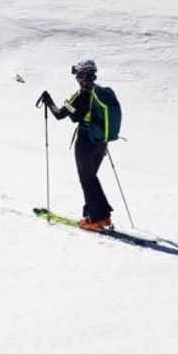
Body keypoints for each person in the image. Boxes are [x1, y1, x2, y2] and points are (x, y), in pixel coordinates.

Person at [39, 59, 117, 231]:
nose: (77, 79)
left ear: (82, 76)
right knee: (91, 179)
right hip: (101, 143)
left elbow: (60, 114)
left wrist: (48, 100)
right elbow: (77, 116)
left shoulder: (80, 95)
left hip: (85, 143)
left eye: (77, 75)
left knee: (87, 180)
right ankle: (101, 216)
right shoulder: (99, 93)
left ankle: (96, 219)